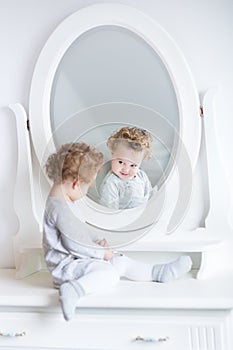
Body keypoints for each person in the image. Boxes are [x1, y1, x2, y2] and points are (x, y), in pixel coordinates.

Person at [43, 142, 192, 321]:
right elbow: (73, 242)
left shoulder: (66, 202)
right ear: (76, 184)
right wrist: (102, 253)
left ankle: (158, 273)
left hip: (79, 261)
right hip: (67, 269)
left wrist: (98, 241)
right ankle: (74, 289)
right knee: (110, 274)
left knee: (119, 261)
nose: (87, 190)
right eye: (88, 187)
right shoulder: (60, 208)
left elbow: (80, 231)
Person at [99, 127, 153, 209]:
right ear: (112, 154)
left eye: (133, 165)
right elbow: (109, 209)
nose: (126, 170)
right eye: (121, 162)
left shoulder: (141, 176)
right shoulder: (112, 183)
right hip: (122, 218)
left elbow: (150, 196)